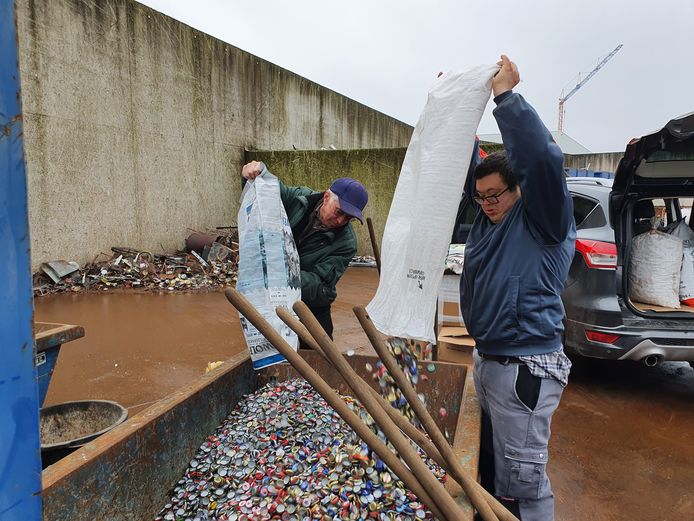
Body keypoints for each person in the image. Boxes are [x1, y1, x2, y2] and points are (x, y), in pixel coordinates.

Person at [459, 55, 575, 521]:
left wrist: (505, 101)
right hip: (489, 360)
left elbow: (542, 160)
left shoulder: (542, 219)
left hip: (523, 367)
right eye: (480, 197)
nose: (486, 205)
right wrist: (458, 115)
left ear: (520, 189)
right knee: (492, 469)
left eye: (496, 195)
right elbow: (469, 172)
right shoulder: (491, 220)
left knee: (524, 485)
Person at [241, 160, 368, 338]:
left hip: (311, 306)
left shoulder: (346, 243)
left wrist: (283, 274)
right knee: (271, 346)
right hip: (272, 296)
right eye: (339, 212)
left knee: (320, 355)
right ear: (326, 197)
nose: (341, 221)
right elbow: (269, 190)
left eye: (349, 218)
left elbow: (321, 287)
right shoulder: (300, 200)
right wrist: (257, 172)